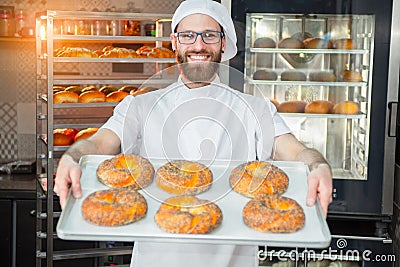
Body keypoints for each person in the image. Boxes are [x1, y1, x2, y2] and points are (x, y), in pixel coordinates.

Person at [54, 0, 332, 266]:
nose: (198, 45)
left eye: (209, 35)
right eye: (188, 35)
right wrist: (72, 156)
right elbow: (100, 144)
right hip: (157, 261)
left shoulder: (255, 108)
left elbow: (294, 151)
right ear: (174, 41)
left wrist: (317, 165)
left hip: (232, 261)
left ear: (224, 43)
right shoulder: (139, 105)